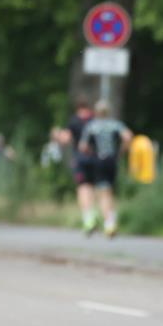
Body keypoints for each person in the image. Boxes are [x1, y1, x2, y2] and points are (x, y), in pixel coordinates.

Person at [79, 100, 133, 236]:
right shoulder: (115, 124)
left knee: (102, 193)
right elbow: (128, 136)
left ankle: (108, 223)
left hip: (98, 160)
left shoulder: (92, 126)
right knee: (109, 191)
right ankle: (110, 222)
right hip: (111, 160)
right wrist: (121, 151)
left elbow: (83, 146)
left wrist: (91, 153)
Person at [63, 99, 98, 233]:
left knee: (83, 189)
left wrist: (59, 137)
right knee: (94, 188)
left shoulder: (74, 121)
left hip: (81, 159)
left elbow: (65, 139)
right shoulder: (95, 119)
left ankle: (88, 219)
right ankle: (94, 214)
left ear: (78, 107)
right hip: (96, 159)